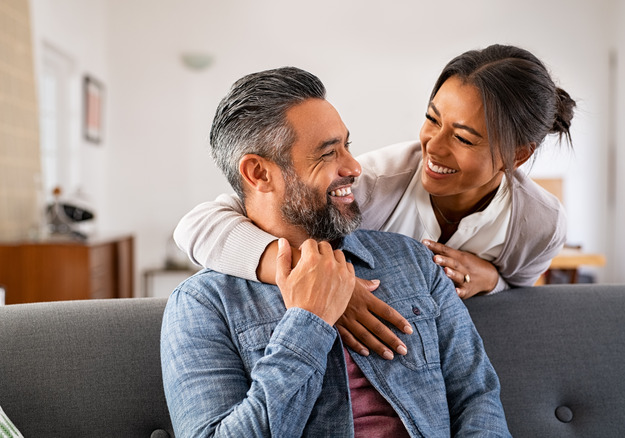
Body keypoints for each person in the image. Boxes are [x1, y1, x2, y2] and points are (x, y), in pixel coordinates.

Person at [160, 66, 509, 437]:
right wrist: (308, 321)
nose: (354, 167)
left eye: (348, 145)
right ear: (259, 174)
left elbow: (477, 397)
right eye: (328, 154)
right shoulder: (202, 305)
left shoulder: (414, 261)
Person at [174, 44, 576, 359]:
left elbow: (520, 297)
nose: (432, 147)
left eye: (464, 137)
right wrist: (318, 280)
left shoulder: (539, 223)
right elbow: (198, 225)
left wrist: (493, 280)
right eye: (432, 119)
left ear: (517, 155)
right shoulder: (373, 182)